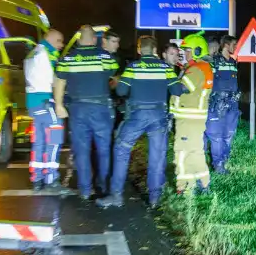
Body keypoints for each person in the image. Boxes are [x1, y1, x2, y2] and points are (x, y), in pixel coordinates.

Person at [96, 36, 186, 208]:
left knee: (121, 150)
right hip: (159, 116)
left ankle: (116, 195)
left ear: (139, 50)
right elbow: (176, 90)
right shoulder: (165, 69)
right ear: (155, 51)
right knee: (157, 156)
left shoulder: (132, 67)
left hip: (136, 116)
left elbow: (121, 91)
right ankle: (154, 198)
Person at [54, 25, 117, 200]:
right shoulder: (104, 57)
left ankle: (85, 189)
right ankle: (102, 186)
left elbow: (59, 81)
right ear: (95, 39)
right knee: (104, 149)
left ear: (79, 39)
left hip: (77, 109)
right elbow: (113, 74)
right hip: (100, 109)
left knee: (81, 150)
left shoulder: (68, 58)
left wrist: (59, 105)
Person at [24, 28, 67, 192]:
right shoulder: (47, 54)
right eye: (59, 41)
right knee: (55, 140)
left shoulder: (33, 52)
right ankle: (51, 179)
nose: (61, 45)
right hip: (46, 102)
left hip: (34, 103)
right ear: (50, 39)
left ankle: (36, 179)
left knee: (39, 142)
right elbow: (55, 80)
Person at [172, 33, 214, 194]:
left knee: (182, 152)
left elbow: (181, 88)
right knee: (195, 151)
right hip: (194, 117)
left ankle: (184, 187)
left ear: (197, 50)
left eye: (188, 50)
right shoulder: (201, 68)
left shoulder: (196, 69)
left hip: (188, 118)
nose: (185, 53)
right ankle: (203, 184)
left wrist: (169, 77)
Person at [205, 35, 241, 174]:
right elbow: (210, 82)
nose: (235, 47)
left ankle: (224, 160)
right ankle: (218, 165)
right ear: (226, 45)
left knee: (229, 134)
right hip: (218, 104)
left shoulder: (233, 62)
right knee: (217, 136)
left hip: (232, 104)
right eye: (234, 44)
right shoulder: (215, 61)